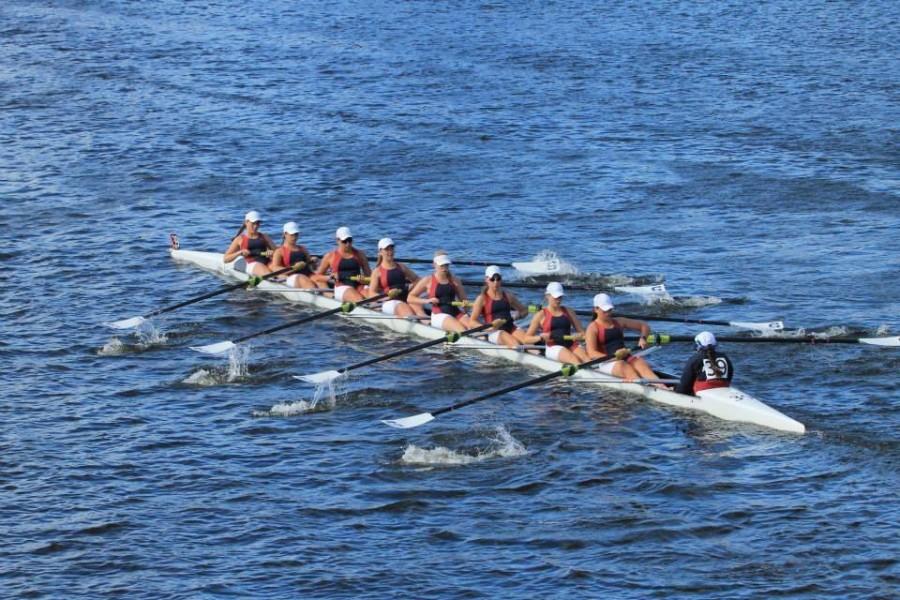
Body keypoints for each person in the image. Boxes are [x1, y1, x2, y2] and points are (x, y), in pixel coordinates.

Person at [585, 293, 658, 381]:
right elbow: (591, 353)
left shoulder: (619, 321)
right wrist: (613, 357)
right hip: (605, 362)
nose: (608, 313)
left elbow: (644, 326)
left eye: (610, 309)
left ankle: (662, 387)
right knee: (623, 366)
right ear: (595, 309)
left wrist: (643, 338)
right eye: (605, 310)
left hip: (624, 356)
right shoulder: (592, 328)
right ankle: (641, 384)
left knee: (640, 362)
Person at [407, 251, 476, 332]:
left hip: (456, 312)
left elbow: (464, 301)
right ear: (434, 264)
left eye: (446, 265)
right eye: (441, 265)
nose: (444, 268)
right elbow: (410, 298)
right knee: (462, 330)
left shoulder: (455, 280)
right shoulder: (428, 280)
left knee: (475, 329)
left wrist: (465, 304)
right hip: (438, 315)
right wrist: (427, 300)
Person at [524, 282, 588, 363]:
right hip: (553, 347)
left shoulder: (569, 311)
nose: (558, 300)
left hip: (570, 343)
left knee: (587, 360)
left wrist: (580, 336)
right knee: (575, 361)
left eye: (560, 297)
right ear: (547, 296)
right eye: (555, 297)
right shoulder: (541, 314)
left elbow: (582, 334)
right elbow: (526, 339)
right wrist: (540, 338)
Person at [469, 265, 530, 347]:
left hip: (510, 327)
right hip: (494, 331)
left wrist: (517, 316)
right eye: (492, 279)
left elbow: (524, 310)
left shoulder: (508, 296)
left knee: (529, 343)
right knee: (516, 345)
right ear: (486, 280)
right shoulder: (481, 299)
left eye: (498, 279)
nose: (495, 282)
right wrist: (487, 328)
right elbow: (472, 321)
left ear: (501, 279)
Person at [367, 237, 424, 318]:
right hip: (389, 302)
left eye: (391, 249)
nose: (390, 252)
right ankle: (412, 320)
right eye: (387, 249)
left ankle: (426, 322)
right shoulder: (377, 272)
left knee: (418, 307)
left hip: (405, 297)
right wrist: (387, 296)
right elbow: (371, 293)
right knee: (404, 308)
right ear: (380, 252)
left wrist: (411, 289)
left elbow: (417, 280)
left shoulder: (401, 266)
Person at [313, 226, 371, 302]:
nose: (348, 244)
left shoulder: (360, 254)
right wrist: (330, 277)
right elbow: (316, 277)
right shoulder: (330, 256)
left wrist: (364, 280)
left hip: (359, 286)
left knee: (373, 294)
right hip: (341, 287)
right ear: (337, 240)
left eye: (350, 240)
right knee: (358, 298)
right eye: (344, 241)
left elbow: (370, 278)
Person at [223, 210, 276, 276]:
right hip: (252, 264)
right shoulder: (240, 239)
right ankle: (273, 279)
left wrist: (271, 253)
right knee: (264, 270)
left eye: (258, 223)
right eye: (253, 223)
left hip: (267, 262)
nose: (256, 226)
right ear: (246, 222)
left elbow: (277, 252)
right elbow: (225, 259)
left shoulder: (264, 236)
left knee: (280, 269)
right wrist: (239, 252)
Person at [269, 221, 317, 289]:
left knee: (320, 281)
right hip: (294, 277)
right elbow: (275, 269)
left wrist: (313, 262)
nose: (294, 237)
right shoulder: (279, 251)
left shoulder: (303, 248)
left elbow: (312, 267)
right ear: (285, 234)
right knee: (305, 280)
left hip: (308, 274)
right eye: (292, 234)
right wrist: (294, 268)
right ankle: (316, 293)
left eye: (296, 234)